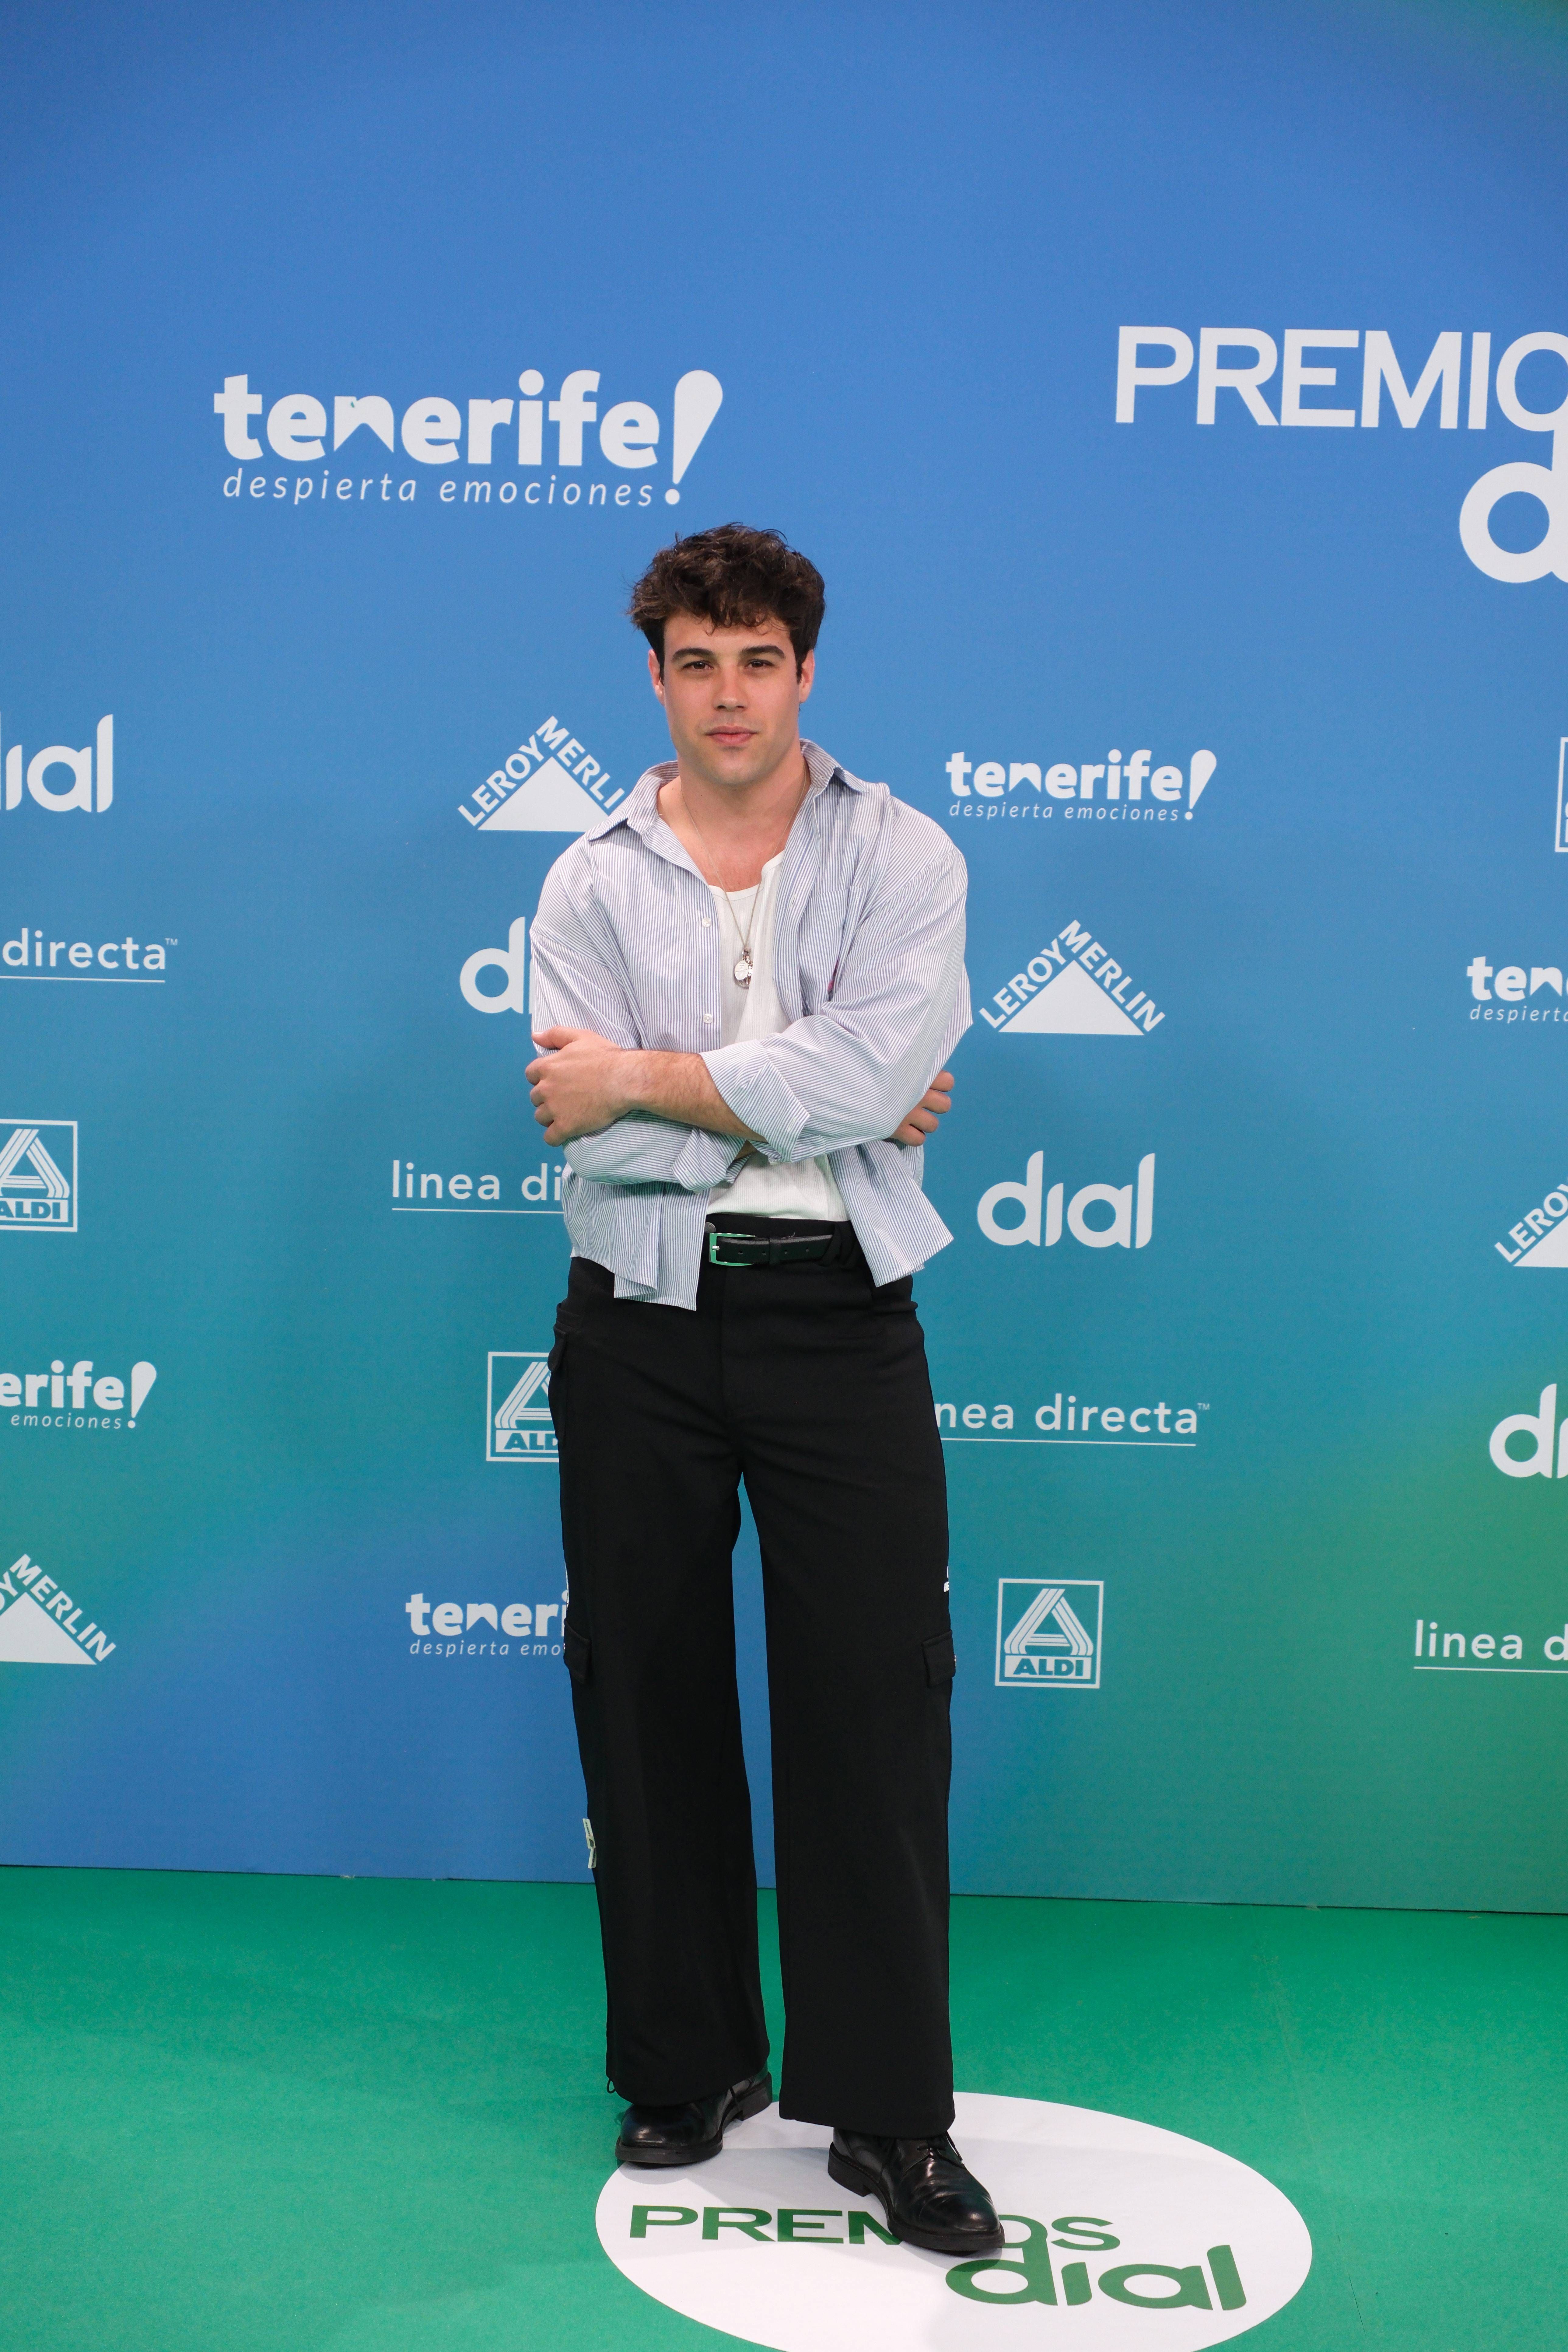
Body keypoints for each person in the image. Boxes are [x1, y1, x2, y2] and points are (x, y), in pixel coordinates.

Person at [525, 523, 1000, 2256]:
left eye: (761, 662)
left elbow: (867, 1071)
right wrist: (809, 1095)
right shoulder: (584, 880)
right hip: (637, 1328)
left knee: (874, 1712)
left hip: (839, 1322)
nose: (730, 695)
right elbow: (591, 1150)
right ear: (656, 678)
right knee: (640, 1695)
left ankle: (888, 2119)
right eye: (696, 663)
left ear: (808, 672)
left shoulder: (907, 856)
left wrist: (662, 1083)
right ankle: (686, 2063)